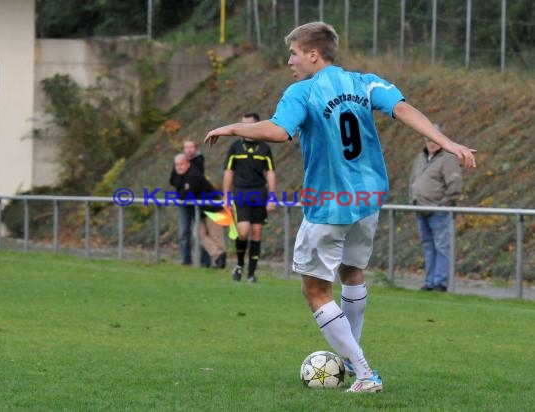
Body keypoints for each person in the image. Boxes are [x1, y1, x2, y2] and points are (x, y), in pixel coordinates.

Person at [204, 21, 476, 393]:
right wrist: (448, 142)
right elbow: (405, 110)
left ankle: (364, 372)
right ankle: (353, 361)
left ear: (313, 54)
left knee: (315, 290)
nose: (289, 61)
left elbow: (280, 131)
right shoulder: (365, 82)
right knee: (351, 273)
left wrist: (233, 127)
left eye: (294, 53)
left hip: (329, 203)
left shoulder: (302, 91)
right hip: (367, 200)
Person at [223, 113, 277, 283]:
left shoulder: (264, 149)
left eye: (249, 125)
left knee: (256, 233)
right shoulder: (235, 148)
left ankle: (251, 274)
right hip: (240, 192)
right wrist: (226, 195)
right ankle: (239, 264)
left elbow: (270, 172)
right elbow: (228, 172)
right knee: (243, 231)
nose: (245, 129)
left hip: (259, 193)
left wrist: (272, 197)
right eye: (243, 125)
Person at [409, 125, 464, 292]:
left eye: (434, 139)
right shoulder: (421, 157)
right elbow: (413, 179)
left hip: (438, 210)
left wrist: (444, 204)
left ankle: (440, 282)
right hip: (421, 208)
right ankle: (430, 281)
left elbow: (455, 184)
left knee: (442, 246)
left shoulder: (447, 157)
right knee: (428, 245)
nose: (431, 143)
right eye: (427, 139)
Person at [172, 154, 227, 268]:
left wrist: (184, 191)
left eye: (181, 164)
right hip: (200, 211)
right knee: (198, 234)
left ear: (188, 164)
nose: (179, 167)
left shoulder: (194, 175)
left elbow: (186, 195)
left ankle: (220, 262)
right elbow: (175, 185)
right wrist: (183, 190)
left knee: (216, 235)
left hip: (213, 208)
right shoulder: (181, 177)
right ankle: (218, 255)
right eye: (176, 165)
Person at [169, 140, 210, 266]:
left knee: (200, 233)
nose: (188, 150)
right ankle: (186, 260)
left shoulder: (198, 161)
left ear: (195, 148)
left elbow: (195, 181)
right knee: (184, 232)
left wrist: (186, 186)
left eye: (191, 147)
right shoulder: (179, 161)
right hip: (183, 201)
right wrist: (183, 185)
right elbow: (173, 180)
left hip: (197, 202)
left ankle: (205, 261)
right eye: (186, 147)